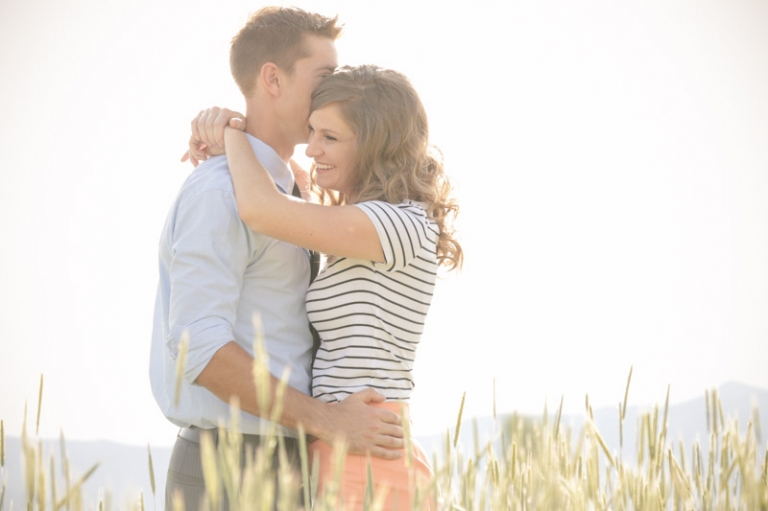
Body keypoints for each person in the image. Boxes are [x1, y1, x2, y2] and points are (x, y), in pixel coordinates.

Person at [150, 8, 405, 511]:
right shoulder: (220, 192)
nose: (336, 95)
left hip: (293, 457)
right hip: (230, 467)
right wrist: (331, 422)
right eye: (324, 79)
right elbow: (198, 348)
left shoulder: (293, 191)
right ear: (273, 78)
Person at [188, 64, 463, 510]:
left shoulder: (398, 223)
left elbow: (262, 208)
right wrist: (217, 129)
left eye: (330, 138)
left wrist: (233, 134)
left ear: (378, 143)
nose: (313, 148)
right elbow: (284, 178)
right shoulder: (364, 222)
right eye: (312, 131)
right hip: (344, 443)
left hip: (369, 452)